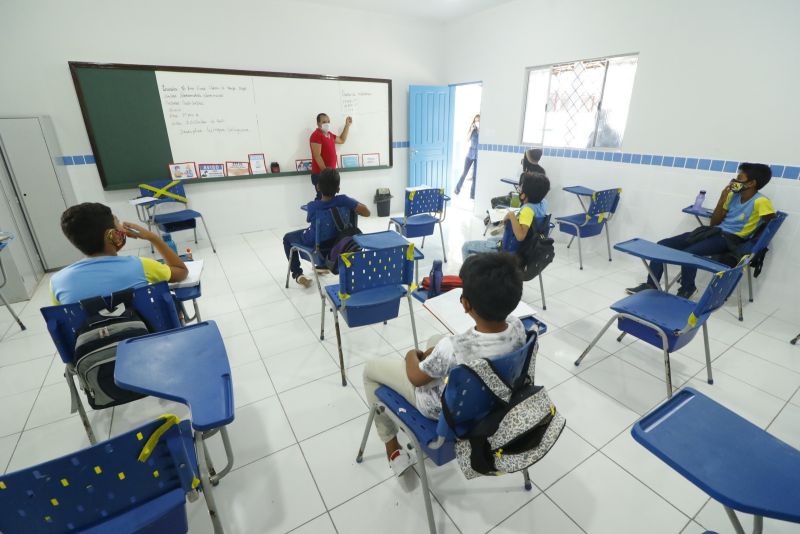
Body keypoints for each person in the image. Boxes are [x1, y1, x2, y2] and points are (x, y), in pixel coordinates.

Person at [362, 252, 526, 476]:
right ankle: (430, 360)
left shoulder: (453, 348)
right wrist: (435, 353)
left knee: (370, 370)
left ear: (465, 303)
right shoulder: (518, 327)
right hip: (492, 402)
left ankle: (393, 448)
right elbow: (458, 349)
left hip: (439, 411)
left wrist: (412, 354)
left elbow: (416, 378)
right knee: (435, 340)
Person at [626, 162, 775, 299]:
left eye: (739, 178)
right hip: (714, 231)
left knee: (688, 254)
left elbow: (771, 224)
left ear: (751, 183)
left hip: (731, 239)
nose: (734, 181)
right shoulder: (732, 196)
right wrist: (722, 199)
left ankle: (688, 288)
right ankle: (651, 284)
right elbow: (714, 222)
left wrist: (754, 245)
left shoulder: (761, 201)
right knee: (662, 244)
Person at [50, 203, 188, 305]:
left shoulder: (57, 282)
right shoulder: (139, 265)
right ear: (113, 235)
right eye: (118, 224)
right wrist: (153, 237)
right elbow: (181, 271)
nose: (122, 228)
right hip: (145, 340)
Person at [283, 168, 370, 288]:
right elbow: (367, 212)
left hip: (317, 248)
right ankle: (322, 267)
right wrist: (353, 203)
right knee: (326, 230)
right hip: (338, 244)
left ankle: (298, 274)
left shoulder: (313, 206)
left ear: (318, 187)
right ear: (338, 189)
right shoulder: (344, 200)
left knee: (287, 238)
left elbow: (309, 219)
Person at [464, 172, 550, 259]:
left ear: (525, 194)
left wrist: (511, 216)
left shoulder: (527, 210)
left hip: (509, 251)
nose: (519, 189)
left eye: (521, 187)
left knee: (466, 247)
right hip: (526, 248)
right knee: (490, 240)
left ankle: (473, 270)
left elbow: (520, 236)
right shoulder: (543, 204)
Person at [309, 113, 352, 199]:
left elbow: (342, 140)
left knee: (329, 199)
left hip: (329, 175)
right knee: (322, 198)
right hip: (321, 175)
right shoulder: (316, 135)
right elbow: (317, 156)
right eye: (324, 122)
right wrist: (327, 174)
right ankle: (315, 212)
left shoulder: (330, 135)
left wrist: (347, 125)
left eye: (328, 121)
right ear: (318, 123)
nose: (327, 123)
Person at [454, 114, 480, 199]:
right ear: (474, 122)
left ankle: (472, 195)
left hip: (478, 156)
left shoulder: (481, 131)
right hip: (470, 154)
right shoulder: (472, 129)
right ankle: (457, 189)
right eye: (476, 121)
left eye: (479, 121)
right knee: (464, 173)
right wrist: (472, 129)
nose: (477, 122)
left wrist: (479, 129)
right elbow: (467, 139)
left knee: (475, 176)